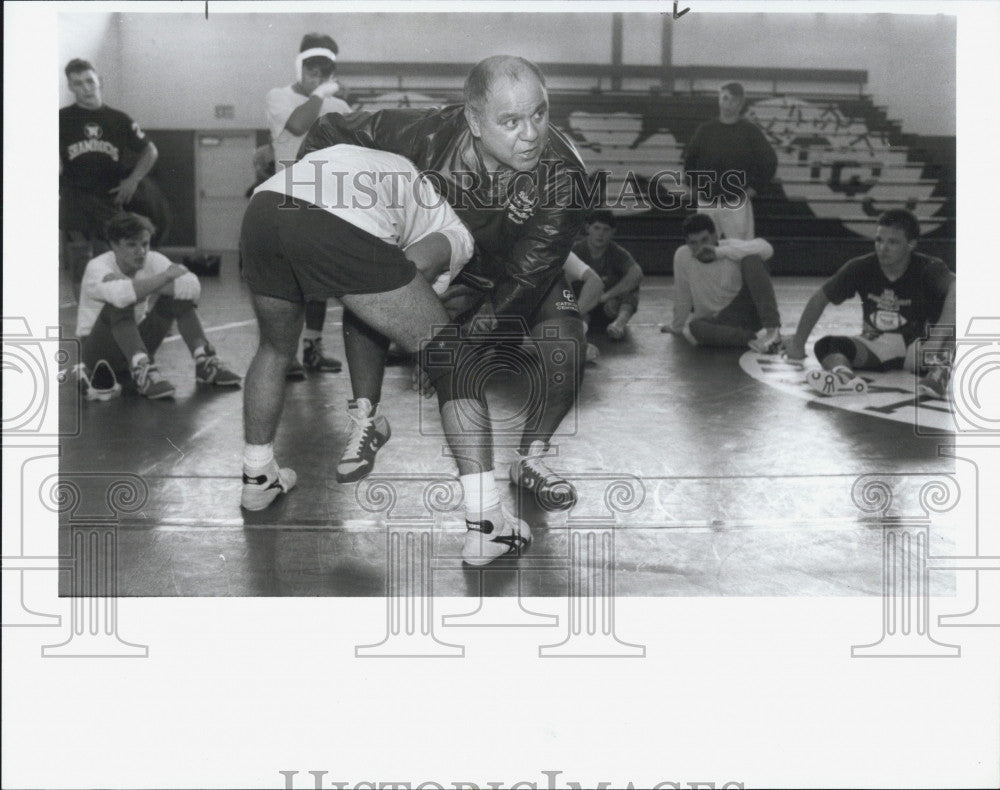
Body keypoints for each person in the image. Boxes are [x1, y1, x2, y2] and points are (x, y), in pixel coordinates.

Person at [300, 55, 591, 532]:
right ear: (473, 120)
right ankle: (366, 416)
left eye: (539, 113)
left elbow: (525, 279)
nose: (532, 133)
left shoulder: (564, 176)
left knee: (566, 346)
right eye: (511, 121)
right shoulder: (426, 133)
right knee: (373, 272)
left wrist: (448, 355)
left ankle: (531, 457)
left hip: (521, 270)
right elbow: (329, 130)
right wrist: (328, 207)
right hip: (455, 259)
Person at [783, 209, 956, 398]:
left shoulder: (929, 268)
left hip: (920, 346)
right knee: (827, 345)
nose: (883, 248)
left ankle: (938, 374)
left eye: (893, 242)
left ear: (911, 244)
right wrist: (798, 343)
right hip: (880, 343)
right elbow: (820, 298)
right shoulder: (861, 266)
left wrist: (936, 340)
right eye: (879, 240)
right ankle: (843, 377)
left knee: (956, 312)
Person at [74, 213, 241, 400]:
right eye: (132, 245)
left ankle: (204, 361)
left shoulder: (153, 260)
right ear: (114, 246)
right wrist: (164, 278)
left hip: (134, 339)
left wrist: (135, 285)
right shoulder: (97, 267)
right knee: (121, 301)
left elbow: (192, 288)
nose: (141, 252)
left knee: (179, 297)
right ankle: (141, 368)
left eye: (145, 244)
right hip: (99, 352)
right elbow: (121, 297)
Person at [265, 33, 353, 377]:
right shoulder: (278, 97)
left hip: (326, 199)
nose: (318, 76)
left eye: (324, 71)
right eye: (312, 70)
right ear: (300, 67)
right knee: (289, 283)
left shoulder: (340, 107)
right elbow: (299, 124)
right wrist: (320, 94)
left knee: (318, 281)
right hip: (288, 197)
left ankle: (313, 348)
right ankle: (283, 354)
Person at [60, 59, 159, 295]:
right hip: (75, 199)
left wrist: (133, 180)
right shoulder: (60, 119)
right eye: (78, 83)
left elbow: (150, 151)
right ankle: (85, 317)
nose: (85, 88)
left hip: (109, 199)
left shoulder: (119, 120)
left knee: (113, 259)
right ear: (71, 87)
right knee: (80, 262)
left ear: (99, 82)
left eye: (89, 81)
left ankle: (115, 309)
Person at [664, 213, 782, 352]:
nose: (700, 247)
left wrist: (719, 252)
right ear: (687, 243)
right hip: (718, 321)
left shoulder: (730, 247)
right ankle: (752, 340)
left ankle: (773, 332)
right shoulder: (683, 255)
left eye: (704, 240)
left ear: (715, 236)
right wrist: (676, 327)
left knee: (752, 260)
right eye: (693, 243)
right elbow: (682, 293)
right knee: (695, 327)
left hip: (746, 310)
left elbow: (767, 248)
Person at [682, 81, 777, 241]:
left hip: (736, 202)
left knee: (740, 249)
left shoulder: (750, 131)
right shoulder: (706, 130)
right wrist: (692, 186)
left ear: (740, 104)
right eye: (725, 98)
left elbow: (770, 161)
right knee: (705, 249)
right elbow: (690, 160)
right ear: (719, 100)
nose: (728, 104)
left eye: (733, 100)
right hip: (708, 201)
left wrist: (753, 188)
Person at [570, 211, 644, 340]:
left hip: (607, 306)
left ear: (613, 232)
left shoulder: (616, 252)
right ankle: (580, 326)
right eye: (596, 228)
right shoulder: (575, 250)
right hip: (581, 305)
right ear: (588, 228)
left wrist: (606, 296)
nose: (601, 234)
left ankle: (618, 325)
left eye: (606, 230)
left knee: (632, 287)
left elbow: (637, 274)